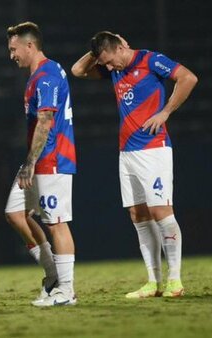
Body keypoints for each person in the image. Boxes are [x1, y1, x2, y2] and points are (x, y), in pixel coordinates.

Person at [71, 31, 197, 298]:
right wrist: (97, 52)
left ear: (120, 49)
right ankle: (153, 282)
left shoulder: (150, 60)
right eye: (102, 62)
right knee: (138, 215)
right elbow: (78, 70)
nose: (106, 67)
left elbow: (188, 78)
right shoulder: (112, 69)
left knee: (161, 211)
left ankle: (175, 280)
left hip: (153, 148)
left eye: (108, 60)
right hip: (127, 152)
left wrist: (165, 112)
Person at [5, 22, 77, 306]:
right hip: (40, 159)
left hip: (52, 159)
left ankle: (66, 290)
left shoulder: (46, 76)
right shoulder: (40, 74)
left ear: (29, 46)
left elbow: (46, 120)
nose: (12, 55)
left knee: (57, 224)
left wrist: (30, 162)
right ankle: (53, 276)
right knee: (15, 213)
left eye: (14, 49)